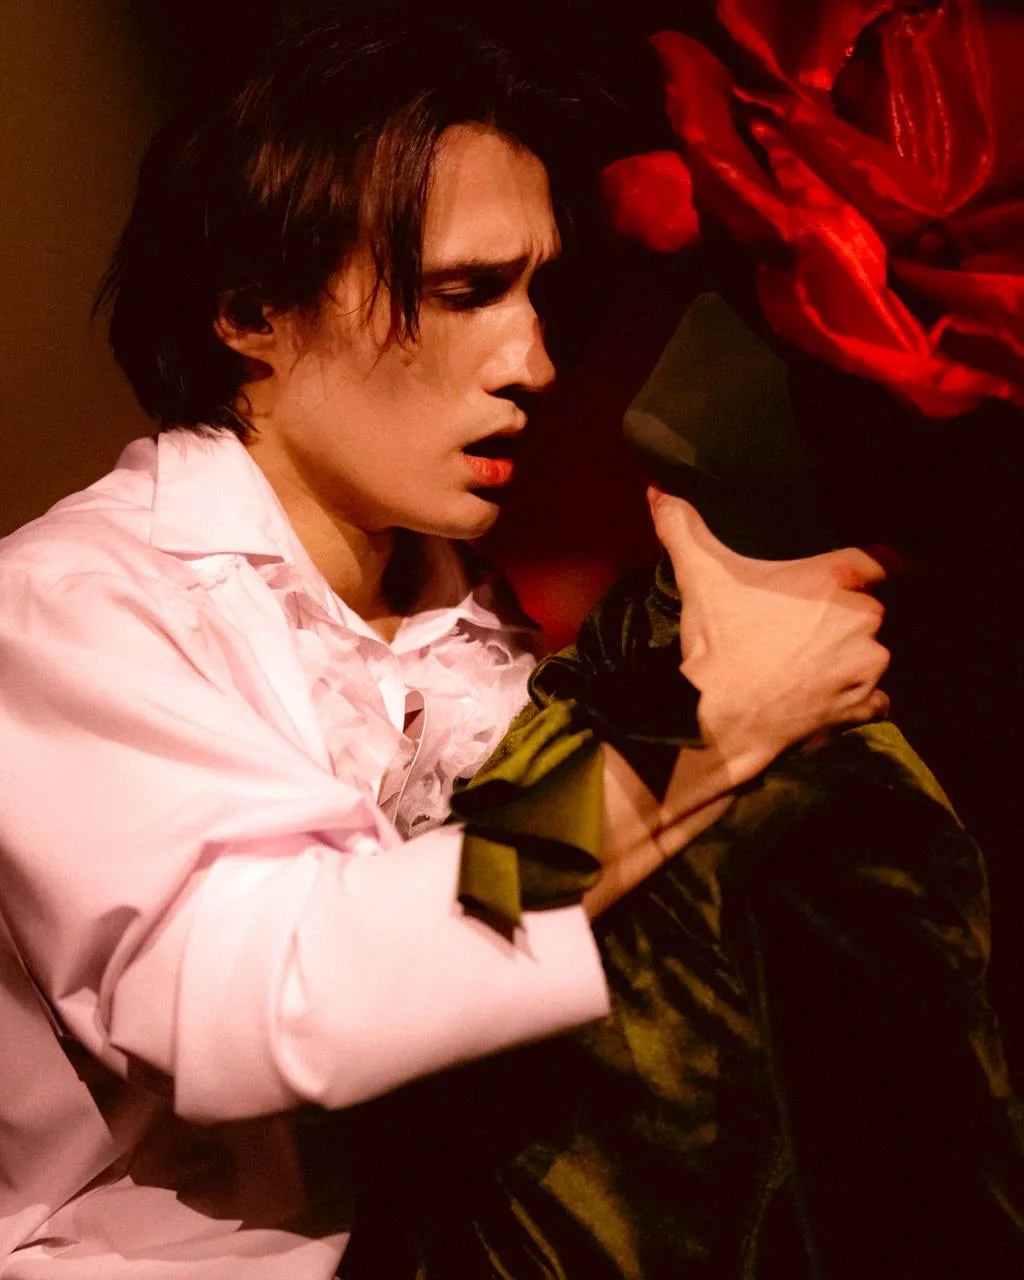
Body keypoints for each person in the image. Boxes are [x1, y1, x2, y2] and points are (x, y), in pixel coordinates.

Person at [0, 7, 890, 1277]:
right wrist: (697, 739)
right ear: (250, 311)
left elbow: (483, 911)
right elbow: (285, 991)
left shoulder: (460, 612)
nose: (532, 361)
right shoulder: (69, 609)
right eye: (465, 292)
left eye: (538, 294)